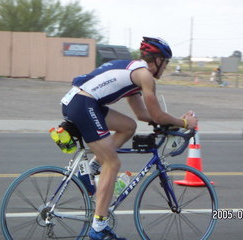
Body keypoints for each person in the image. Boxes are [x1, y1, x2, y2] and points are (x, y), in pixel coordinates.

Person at [60, 36, 198, 240]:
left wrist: (168, 122)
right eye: (166, 63)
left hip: (83, 102)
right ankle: (98, 226)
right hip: (83, 103)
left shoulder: (135, 74)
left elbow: (143, 115)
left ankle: (92, 168)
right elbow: (158, 115)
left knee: (128, 126)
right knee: (113, 163)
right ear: (158, 60)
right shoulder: (145, 76)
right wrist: (184, 123)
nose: (166, 68)